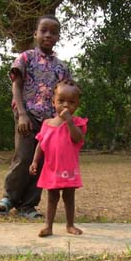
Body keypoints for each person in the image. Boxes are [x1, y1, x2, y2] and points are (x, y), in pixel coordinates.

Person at [0, 14, 71, 219]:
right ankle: (9, 197)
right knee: (24, 156)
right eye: (43, 30)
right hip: (27, 115)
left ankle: (28, 205)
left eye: (53, 32)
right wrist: (21, 114)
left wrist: (60, 122)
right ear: (35, 33)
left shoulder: (62, 67)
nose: (48, 35)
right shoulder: (25, 58)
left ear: (58, 37)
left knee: (42, 162)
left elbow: (65, 96)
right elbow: (16, 85)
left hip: (50, 122)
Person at [29, 79, 87, 237]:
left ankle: (70, 225)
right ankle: (48, 226)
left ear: (77, 104)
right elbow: (40, 144)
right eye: (61, 101)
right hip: (51, 168)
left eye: (71, 102)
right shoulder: (47, 123)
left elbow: (77, 138)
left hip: (68, 169)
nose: (66, 105)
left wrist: (69, 122)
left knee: (69, 197)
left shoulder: (77, 123)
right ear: (53, 102)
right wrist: (34, 161)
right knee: (52, 198)